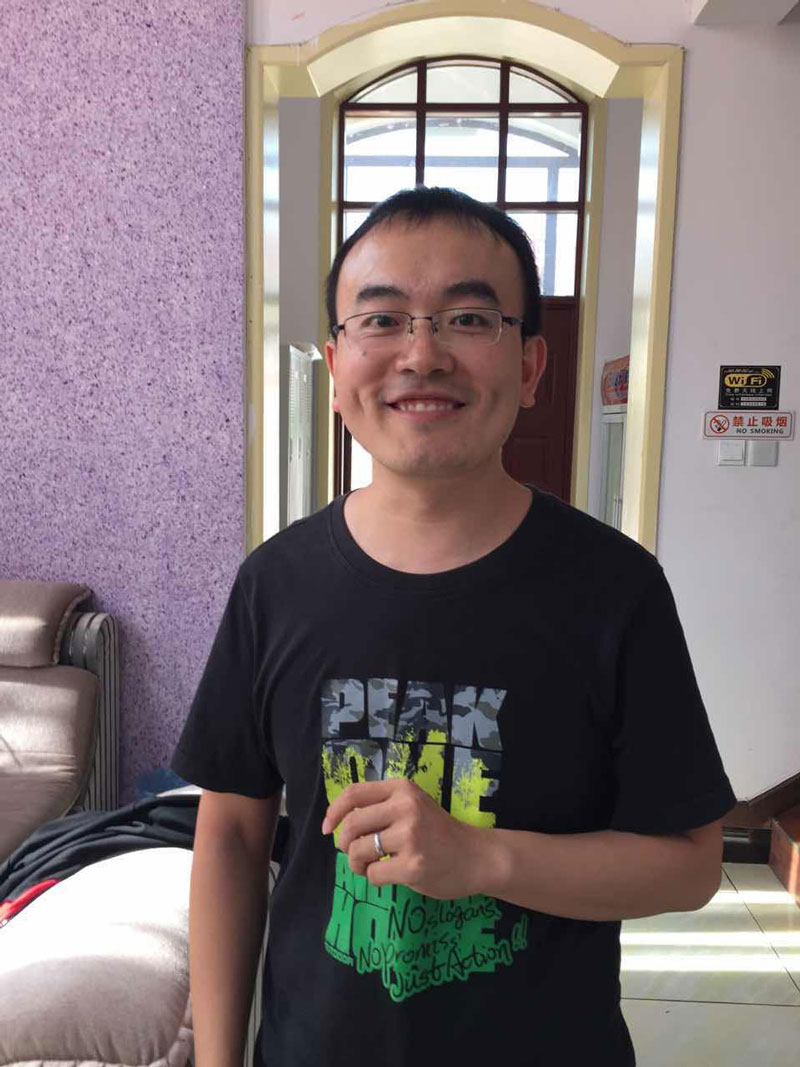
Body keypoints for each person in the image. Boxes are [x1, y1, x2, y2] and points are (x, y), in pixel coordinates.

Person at [170, 186, 736, 1067]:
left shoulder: (616, 589)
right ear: (336, 366)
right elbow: (233, 835)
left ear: (532, 366)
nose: (422, 353)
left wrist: (482, 858)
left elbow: (693, 862)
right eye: (382, 319)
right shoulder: (273, 585)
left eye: (470, 318)